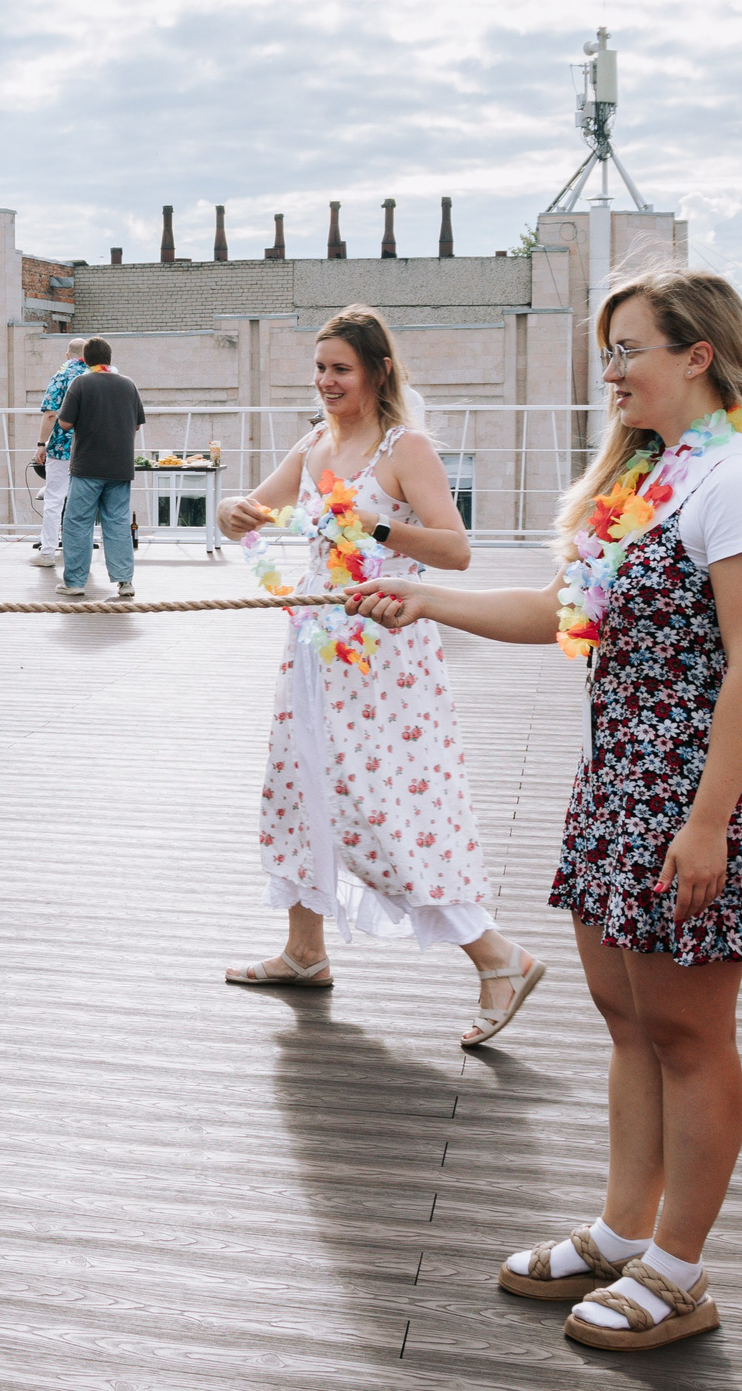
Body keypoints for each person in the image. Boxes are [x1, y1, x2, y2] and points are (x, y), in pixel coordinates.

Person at [348, 270, 742, 1353]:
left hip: (690, 792)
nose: (609, 372)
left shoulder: (735, 483)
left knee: (689, 1036)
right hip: (611, 787)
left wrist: (706, 822)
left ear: (697, 356)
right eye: (606, 350)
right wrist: (425, 601)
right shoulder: (644, 479)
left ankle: (678, 1273)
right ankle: (618, 1232)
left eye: (628, 349)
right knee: (628, 1026)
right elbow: (562, 612)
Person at [219, 308, 542, 1044]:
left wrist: (375, 528)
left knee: (373, 802)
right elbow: (256, 513)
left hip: (382, 656)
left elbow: (457, 552)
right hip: (311, 645)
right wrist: (234, 510)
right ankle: (305, 951)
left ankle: (498, 955)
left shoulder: (406, 448)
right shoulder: (313, 443)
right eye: (320, 367)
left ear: (378, 371)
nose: (326, 381)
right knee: (296, 785)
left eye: (341, 368)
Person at [53, 337, 146, 598]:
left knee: (77, 522)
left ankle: (74, 582)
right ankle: (125, 582)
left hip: (88, 465)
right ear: (109, 358)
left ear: (86, 360)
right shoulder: (129, 384)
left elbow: (65, 424)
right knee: (117, 522)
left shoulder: (80, 383)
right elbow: (137, 424)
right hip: (120, 466)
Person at [29, 338, 88, 568]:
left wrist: (41, 443)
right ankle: (80, 554)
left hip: (63, 448)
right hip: (89, 447)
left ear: (67, 356)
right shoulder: (96, 376)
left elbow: (51, 414)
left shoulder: (61, 375)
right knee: (84, 502)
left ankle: (48, 553)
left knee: (54, 499)